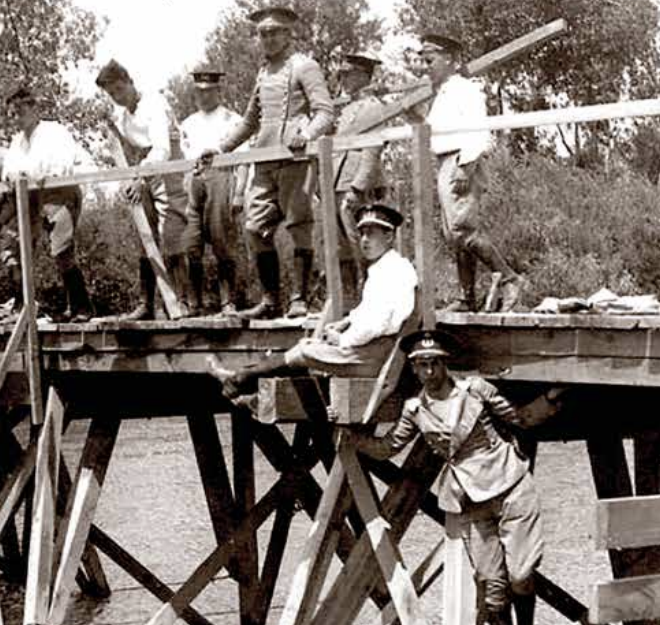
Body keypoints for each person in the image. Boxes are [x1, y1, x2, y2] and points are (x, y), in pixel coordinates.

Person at [350, 330, 561, 625]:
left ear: (445, 363)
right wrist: (349, 435)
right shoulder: (415, 410)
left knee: (521, 575)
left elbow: (520, 418)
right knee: (491, 588)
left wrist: (550, 398)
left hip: (511, 486)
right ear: (413, 368)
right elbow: (388, 447)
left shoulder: (475, 390)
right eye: (421, 365)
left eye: (434, 363)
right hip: (473, 500)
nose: (429, 371)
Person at [206, 203, 416, 403]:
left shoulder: (393, 271)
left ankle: (240, 380)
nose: (364, 240)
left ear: (389, 236)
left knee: (306, 351)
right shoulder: (385, 268)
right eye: (362, 233)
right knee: (306, 351)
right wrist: (345, 323)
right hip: (369, 349)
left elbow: (376, 324)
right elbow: (369, 311)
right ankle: (244, 384)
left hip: (374, 356)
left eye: (372, 233)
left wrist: (342, 339)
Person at [207, 6, 336, 319]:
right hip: (264, 159)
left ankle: (299, 299)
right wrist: (220, 148)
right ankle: (270, 300)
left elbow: (325, 112)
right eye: (262, 33)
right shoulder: (263, 73)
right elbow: (251, 120)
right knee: (254, 227)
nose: (267, 38)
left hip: (294, 157)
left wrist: (305, 132)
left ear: (288, 34)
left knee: (298, 225)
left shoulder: (305, 66)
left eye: (274, 32)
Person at [413, 33, 526, 312]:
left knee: (462, 230)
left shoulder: (465, 88)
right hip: (445, 161)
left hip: (461, 161)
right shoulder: (441, 94)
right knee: (454, 234)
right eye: (423, 61)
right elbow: (430, 130)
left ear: (450, 60)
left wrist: (466, 166)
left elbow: (478, 130)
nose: (425, 66)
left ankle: (511, 278)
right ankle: (467, 297)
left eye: (430, 60)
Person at [1, 86, 95, 322]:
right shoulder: (16, 141)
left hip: (59, 194)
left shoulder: (55, 132)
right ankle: (26, 306)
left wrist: (30, 174)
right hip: (32, 198)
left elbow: (59, 167)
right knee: (18, 246)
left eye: (20, 111)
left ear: (34, 108)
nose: (17, 118)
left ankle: (82, 307)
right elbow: (8, 172)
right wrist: (19, 176)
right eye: (12, 114)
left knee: (61, 249)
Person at [95, 59, 172, 320]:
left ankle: (182, 302)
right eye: (111, 94)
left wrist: (142, 177)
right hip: (145, 174)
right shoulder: (124, 116)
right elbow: (127, 148)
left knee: (172, 234)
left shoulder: (154, 104)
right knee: (145, 236)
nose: (117, 97)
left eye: (119, 89)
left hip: (170, 172)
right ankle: (147, 303)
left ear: (129, 82)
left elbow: (162, 148)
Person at [166, 70, 245, 315]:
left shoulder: (233, 120)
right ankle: (194, 303)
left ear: (218, 91)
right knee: (191, 243)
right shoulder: (188, 123)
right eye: (199, 91)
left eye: (208, 90)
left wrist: (239, 192)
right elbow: (180, 159)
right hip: (193, 182)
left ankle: (227, 301)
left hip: (222, 178)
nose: (203, 95)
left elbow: (243, 160)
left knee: (222, 242)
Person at [331, 53, 390, 308]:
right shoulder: (346, 108)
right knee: (342, 247)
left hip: (356, 185)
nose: (343, 79)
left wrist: (358, 186)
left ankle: (372, 298)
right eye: (341, 74)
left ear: (364, 76)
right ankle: (349, 299)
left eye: (348, 74)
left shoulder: (372, 106)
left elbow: (372, 149)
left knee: (364, 244)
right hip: (337, 182)